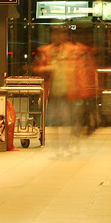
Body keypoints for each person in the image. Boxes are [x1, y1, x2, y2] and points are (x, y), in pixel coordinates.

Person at [33, 26, 93, 156]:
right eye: (55, 34)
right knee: (55, 121)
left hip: (69, 90)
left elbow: (80, 71)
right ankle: (58, 148)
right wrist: (48, 68)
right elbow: (37, 68)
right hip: (53, 91)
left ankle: (67, 146)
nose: (58, 36)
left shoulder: (73, 51)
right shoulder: (46, 51)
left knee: (67, 119)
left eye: (60, 33)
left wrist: (82, 90)